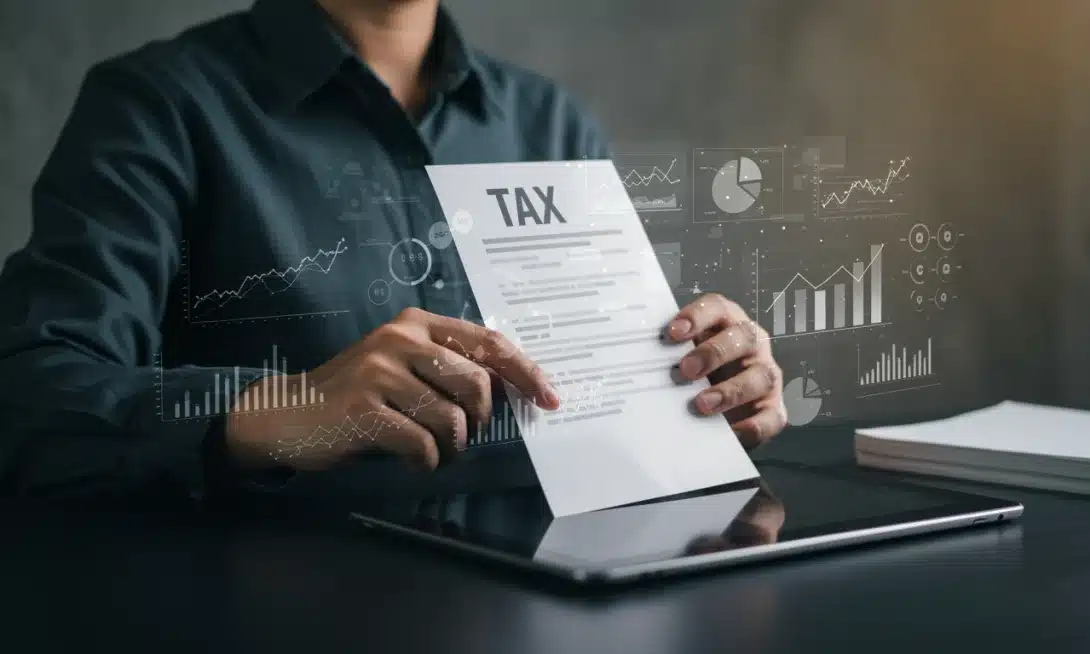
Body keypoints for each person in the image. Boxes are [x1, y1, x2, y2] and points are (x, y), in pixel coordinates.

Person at [0, 0, 786, 502]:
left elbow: (609, 410)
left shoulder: (553, 122)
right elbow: (30, 393)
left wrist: (701, 391)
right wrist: (286, 408)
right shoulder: (156, 107)